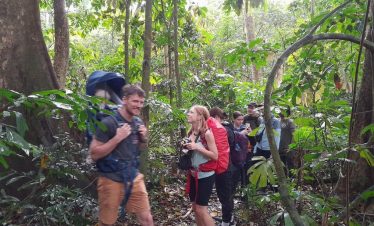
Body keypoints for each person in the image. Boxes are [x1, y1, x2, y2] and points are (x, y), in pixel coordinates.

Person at [89, 85, 154, 226]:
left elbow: (139, 147)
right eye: (135, 101)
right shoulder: (109, 122)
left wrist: (143, 138)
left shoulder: (138, 122)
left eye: (141, 102)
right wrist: (117, 138)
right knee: (107, 223)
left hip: (133, 176)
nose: (139, 105)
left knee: (147, 218)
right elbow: (94, 154)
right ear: (124, 100)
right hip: (110, 179)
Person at [184, 105, 218, 226]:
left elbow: (215, 155)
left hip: (205, 176)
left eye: (191, 112)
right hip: (193, 174)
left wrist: (196, 147)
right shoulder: (190, 132)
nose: (188, 114)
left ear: (199, 116)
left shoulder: (207, 133)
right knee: (195, 207)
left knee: (201, 209)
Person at [209, 107, 236, 226]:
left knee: (225, 195)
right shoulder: (228, 128)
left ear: (215, 117)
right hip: (225, 165)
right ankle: (229, 218)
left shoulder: (223, 130)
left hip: (224, 166)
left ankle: (226, 221)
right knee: (225, 194)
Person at [279, 107, 296, 173]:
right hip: (280, 148)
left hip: (288, 148)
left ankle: (292, 181)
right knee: (282, 165)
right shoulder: (278, 121)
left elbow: (294, 135)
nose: (280, 112)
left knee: (290, 165)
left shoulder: (290, 122)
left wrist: (290, 147)